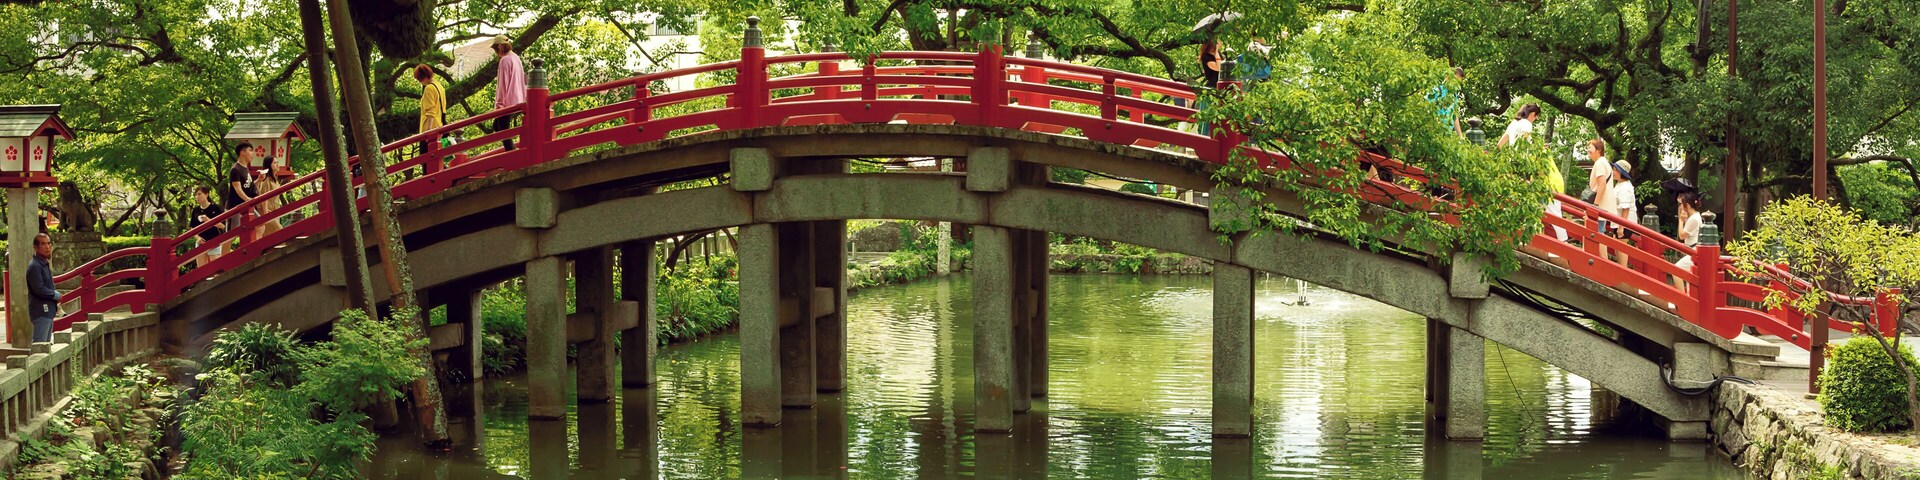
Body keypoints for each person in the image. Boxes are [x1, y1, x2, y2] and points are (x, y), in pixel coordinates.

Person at [492, 35, 526, 151]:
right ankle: (514, 151)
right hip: (518, 99)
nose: (496, 53)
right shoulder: (516, 58)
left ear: (500, 47)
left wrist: (499, 106)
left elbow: (502, 85)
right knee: (497, 126)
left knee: (503, 132)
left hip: (507, 102)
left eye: (496, 49)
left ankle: (513, 155)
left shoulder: (505, 60)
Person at [27, 233, 59, 342]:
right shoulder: (35, 266)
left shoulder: (43, 263)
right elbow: (39, 289)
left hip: (48, 311)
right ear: (35, 247)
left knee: (45, 346)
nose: (47, 247)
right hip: (41, 310)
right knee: (39, 346)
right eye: (43, 244)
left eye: (49, 243)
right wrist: (55, 295)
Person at [226, 143, 257, 242]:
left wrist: (259, 180)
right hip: (234, 206)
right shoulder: (235, 169)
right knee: (230, 236)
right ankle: (224, 257)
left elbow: (249, 186)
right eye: (250, 150)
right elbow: (238, 188)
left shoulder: (246, 168)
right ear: (242, 152)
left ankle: (255, 247)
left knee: (260, 224)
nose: (253, 153)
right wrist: (247, 199)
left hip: (246, 205)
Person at [1425, 67, 1467, 137]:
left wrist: (1460, 136)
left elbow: (1454, 116)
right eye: (1455, 80)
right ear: (1448, 77)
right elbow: (1425, 107)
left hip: (1447, 133)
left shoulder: (1454, 95)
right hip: (1435, 132)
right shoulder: (1437, 90)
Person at [416, 63, 446, 159]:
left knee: (427, 161)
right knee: (438, 160)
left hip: (430, 129)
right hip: (440, 125)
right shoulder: (439, 86)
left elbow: (430, 112)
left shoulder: (429, 88)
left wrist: (428, 131)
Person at [191, 186, 225, 267]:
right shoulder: (196, 210)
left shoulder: (215, 207)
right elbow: (192, 227)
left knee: (216, 268)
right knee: (201, 270)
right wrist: (197, 238)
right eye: (196, 195)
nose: (197, 197)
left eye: (199, 194)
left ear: (206, 194)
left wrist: (208, 220)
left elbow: (223, 226)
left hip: (214, 240)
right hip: (200, 242)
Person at [254, 157, 284, 240]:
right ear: (269, 165)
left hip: (274, 211)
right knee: (279, 232)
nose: (277, 164)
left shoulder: (275, 180)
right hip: (267, 211)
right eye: (274, 163)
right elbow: (264, 197)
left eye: (278, 162)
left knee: (271, 237)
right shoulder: (266, 180)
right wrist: (266, 213)